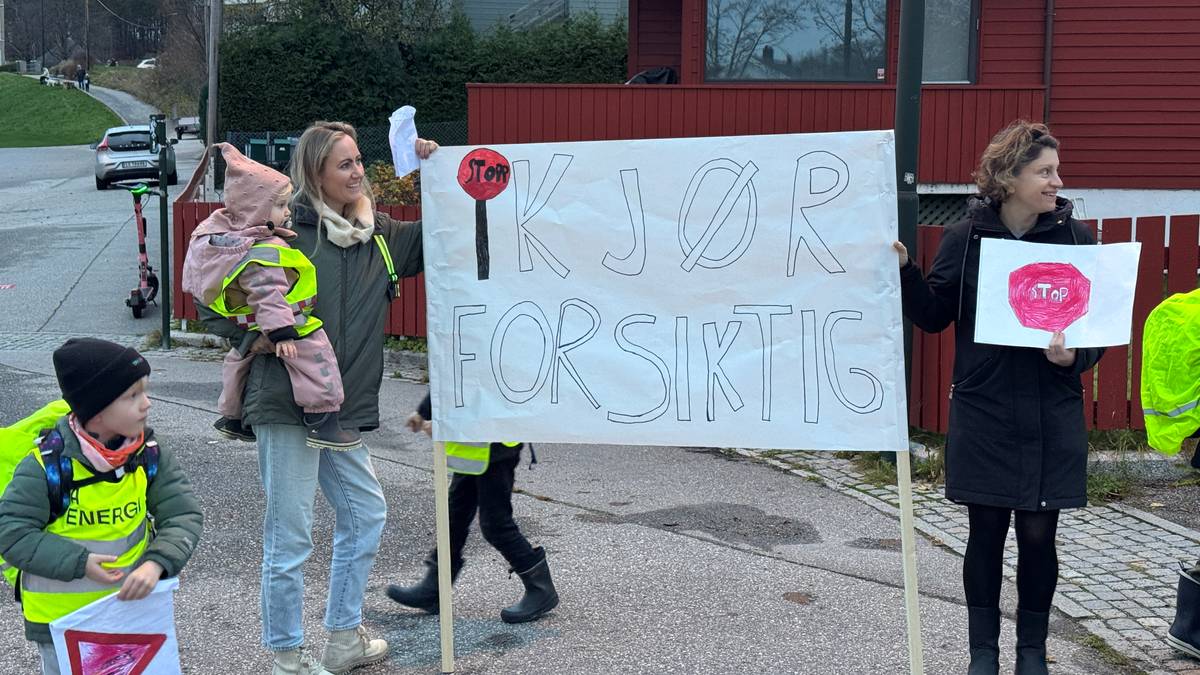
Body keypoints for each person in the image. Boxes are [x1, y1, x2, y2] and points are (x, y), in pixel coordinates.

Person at [200, 121, 438, 675]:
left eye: (359, 162)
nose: (358, 173)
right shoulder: (281, 233)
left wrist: (436, 170)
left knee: (366, 513)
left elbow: (454, 231)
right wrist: (249, 334)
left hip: (341, 408)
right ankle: (286, 657)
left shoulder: (381, 236)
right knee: (291, 534)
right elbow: (210, 296)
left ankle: (342, 639)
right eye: (345, 165)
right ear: (315, 173)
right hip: (283, 403)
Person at [893, 120, 1104, 675]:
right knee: (984, 531)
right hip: (984, 410)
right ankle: (981, 654)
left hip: (1050, 410)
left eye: (1056, 171)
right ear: (1009, 178)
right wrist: (906, 273)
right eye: (1045, 172)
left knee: (1039, 533)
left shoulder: (1077, 240)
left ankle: (1031, 652)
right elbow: (935, 316)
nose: (1057, 182)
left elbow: (1094, 335)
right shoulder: (966, 240)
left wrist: (1073, 358)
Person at [0, 338, 203, 675]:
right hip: (61, 625)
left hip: (131, 613)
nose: (147, 404)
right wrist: (80, 563)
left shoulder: (149, 453)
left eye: (145, 392)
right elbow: (10, 533)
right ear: (96, 410)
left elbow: (182, 514)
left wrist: (157, 563)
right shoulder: (45, 467)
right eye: (132, 396)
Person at [182, 143, 359, 451]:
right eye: (279, 206)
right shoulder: (264, 250)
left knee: (238, 361)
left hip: (247, 321)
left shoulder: (230, 241)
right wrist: (282, 334)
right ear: (256, 210)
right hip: (280, 322)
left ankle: (232, 418)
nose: (287, 211)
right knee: (317, 355)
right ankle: (322, 418)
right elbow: (268, 294)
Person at [386, 392, 559, 624]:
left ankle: (540, 588)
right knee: (454, 516)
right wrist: (425, 411)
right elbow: (450, 370)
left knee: (495, 525)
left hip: (495, 443)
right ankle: (435, 588)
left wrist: (433, 416)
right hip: (472, 443)